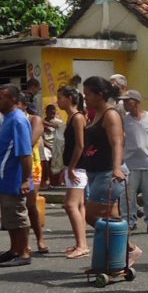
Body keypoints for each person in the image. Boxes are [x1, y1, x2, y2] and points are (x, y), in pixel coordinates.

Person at [81, 76, 142, 267]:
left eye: (88, 94)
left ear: (100, 95)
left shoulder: (110, 114)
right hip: (95, 171)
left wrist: (116, 167)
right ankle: (117, 255)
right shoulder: (96, 113)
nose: (85, 97)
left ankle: (130, 248)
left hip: (108, 172)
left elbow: (117, 142)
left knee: (90, 215)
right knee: (110, 218)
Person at [0, 84, 34, 267]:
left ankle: (23, 252)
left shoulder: (18, 120)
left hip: (14, 178)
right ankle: (14, 249)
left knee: (18, 215)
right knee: (9, 217)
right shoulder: (7, 118)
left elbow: (25, 153)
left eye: (1, 97)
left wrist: (25, 179)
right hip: (3, 178)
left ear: (13, 100)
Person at [122, 90, 148, 234]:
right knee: (128, 195)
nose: (125, 104)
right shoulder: (124, 120)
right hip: (130, 163)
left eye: (127, 101)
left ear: (136, 102)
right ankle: (129, 220)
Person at [58, 86, 90, 259]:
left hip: (78, 167)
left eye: (60, 98)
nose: (58, 101)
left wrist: (71, 167)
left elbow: (80, 144)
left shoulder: (77, 117)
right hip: (73, 166)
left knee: (70, 205)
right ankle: (81, 242)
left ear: (70, 98)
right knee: (79, 205)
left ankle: (83, 245)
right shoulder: (71, 117)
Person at [23, 98, 49, 255]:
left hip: (32, 165)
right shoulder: (9, 120)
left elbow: (30, 142)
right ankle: (24, 242)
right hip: (16, 165)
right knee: (19, 207)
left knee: (30, 204)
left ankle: (40, 238)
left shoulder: (34, 120)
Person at [41, 104, 60, 189]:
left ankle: (56, 180)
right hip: (46, 145)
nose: (52, 113)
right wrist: (49, 146)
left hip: (57, 145)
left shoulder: (59, 123)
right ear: (46, 112)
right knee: (44, 153)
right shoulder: (42, 122)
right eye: (50, 111)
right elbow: (41, 138)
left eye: (54, 111)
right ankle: (46, 178)